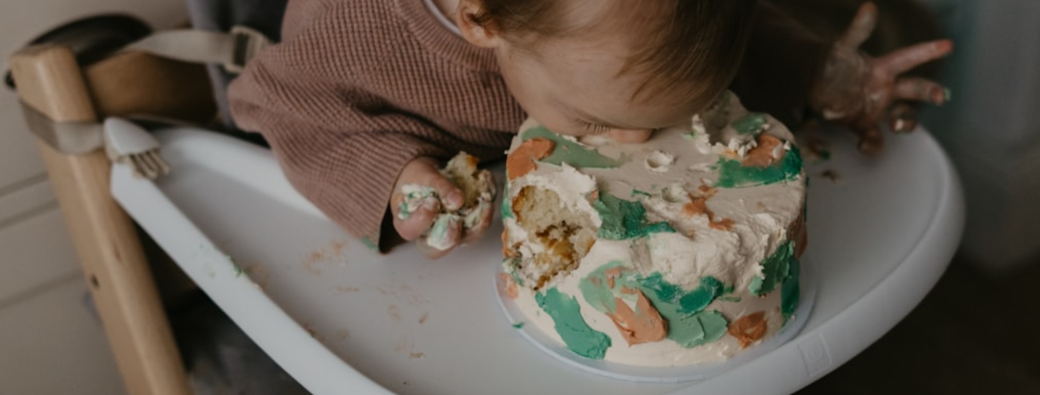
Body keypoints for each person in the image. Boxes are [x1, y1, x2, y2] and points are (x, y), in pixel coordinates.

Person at [228, 0, 951, 258]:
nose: (632, 146)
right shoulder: (356, 33)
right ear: (483, 22)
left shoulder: (639, 23)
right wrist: (396, 176)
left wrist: (815, 72)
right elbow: (275, 105)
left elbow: (728, 36)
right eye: (601, 123)